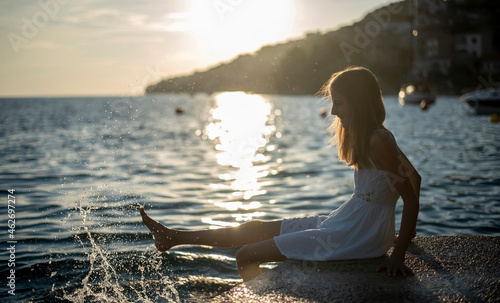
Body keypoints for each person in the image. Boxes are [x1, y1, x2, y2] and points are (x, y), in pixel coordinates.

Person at [140, 66, 420, 282]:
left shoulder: (377, 141)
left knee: (246, 255)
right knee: (253, 227)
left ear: (359, 103)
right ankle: (174, 237)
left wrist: (398, 252)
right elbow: (415, 178)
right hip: (348, 223)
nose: (333, 110)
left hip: (354, 235)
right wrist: (396, 233)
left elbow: (410, 196)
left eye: (340, 103)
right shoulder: (377, 137)